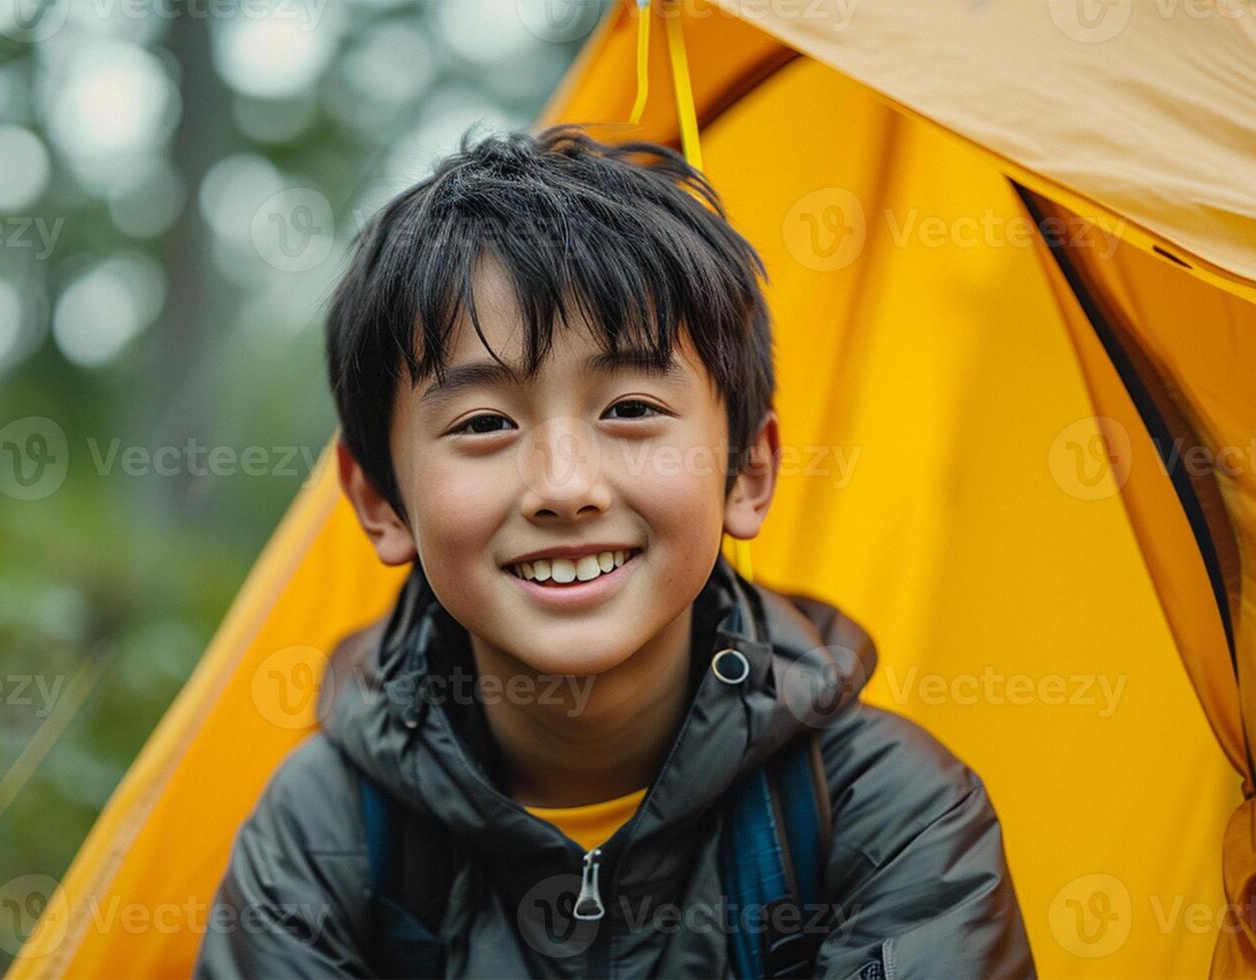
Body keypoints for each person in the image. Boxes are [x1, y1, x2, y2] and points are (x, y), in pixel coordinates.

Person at [198, 126, 1033, 978]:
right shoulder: (323, 833)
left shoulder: (888, 814)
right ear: (380, 500)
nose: (565, 485)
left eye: (630, 408)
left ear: (744, 470)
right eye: (484, 423)